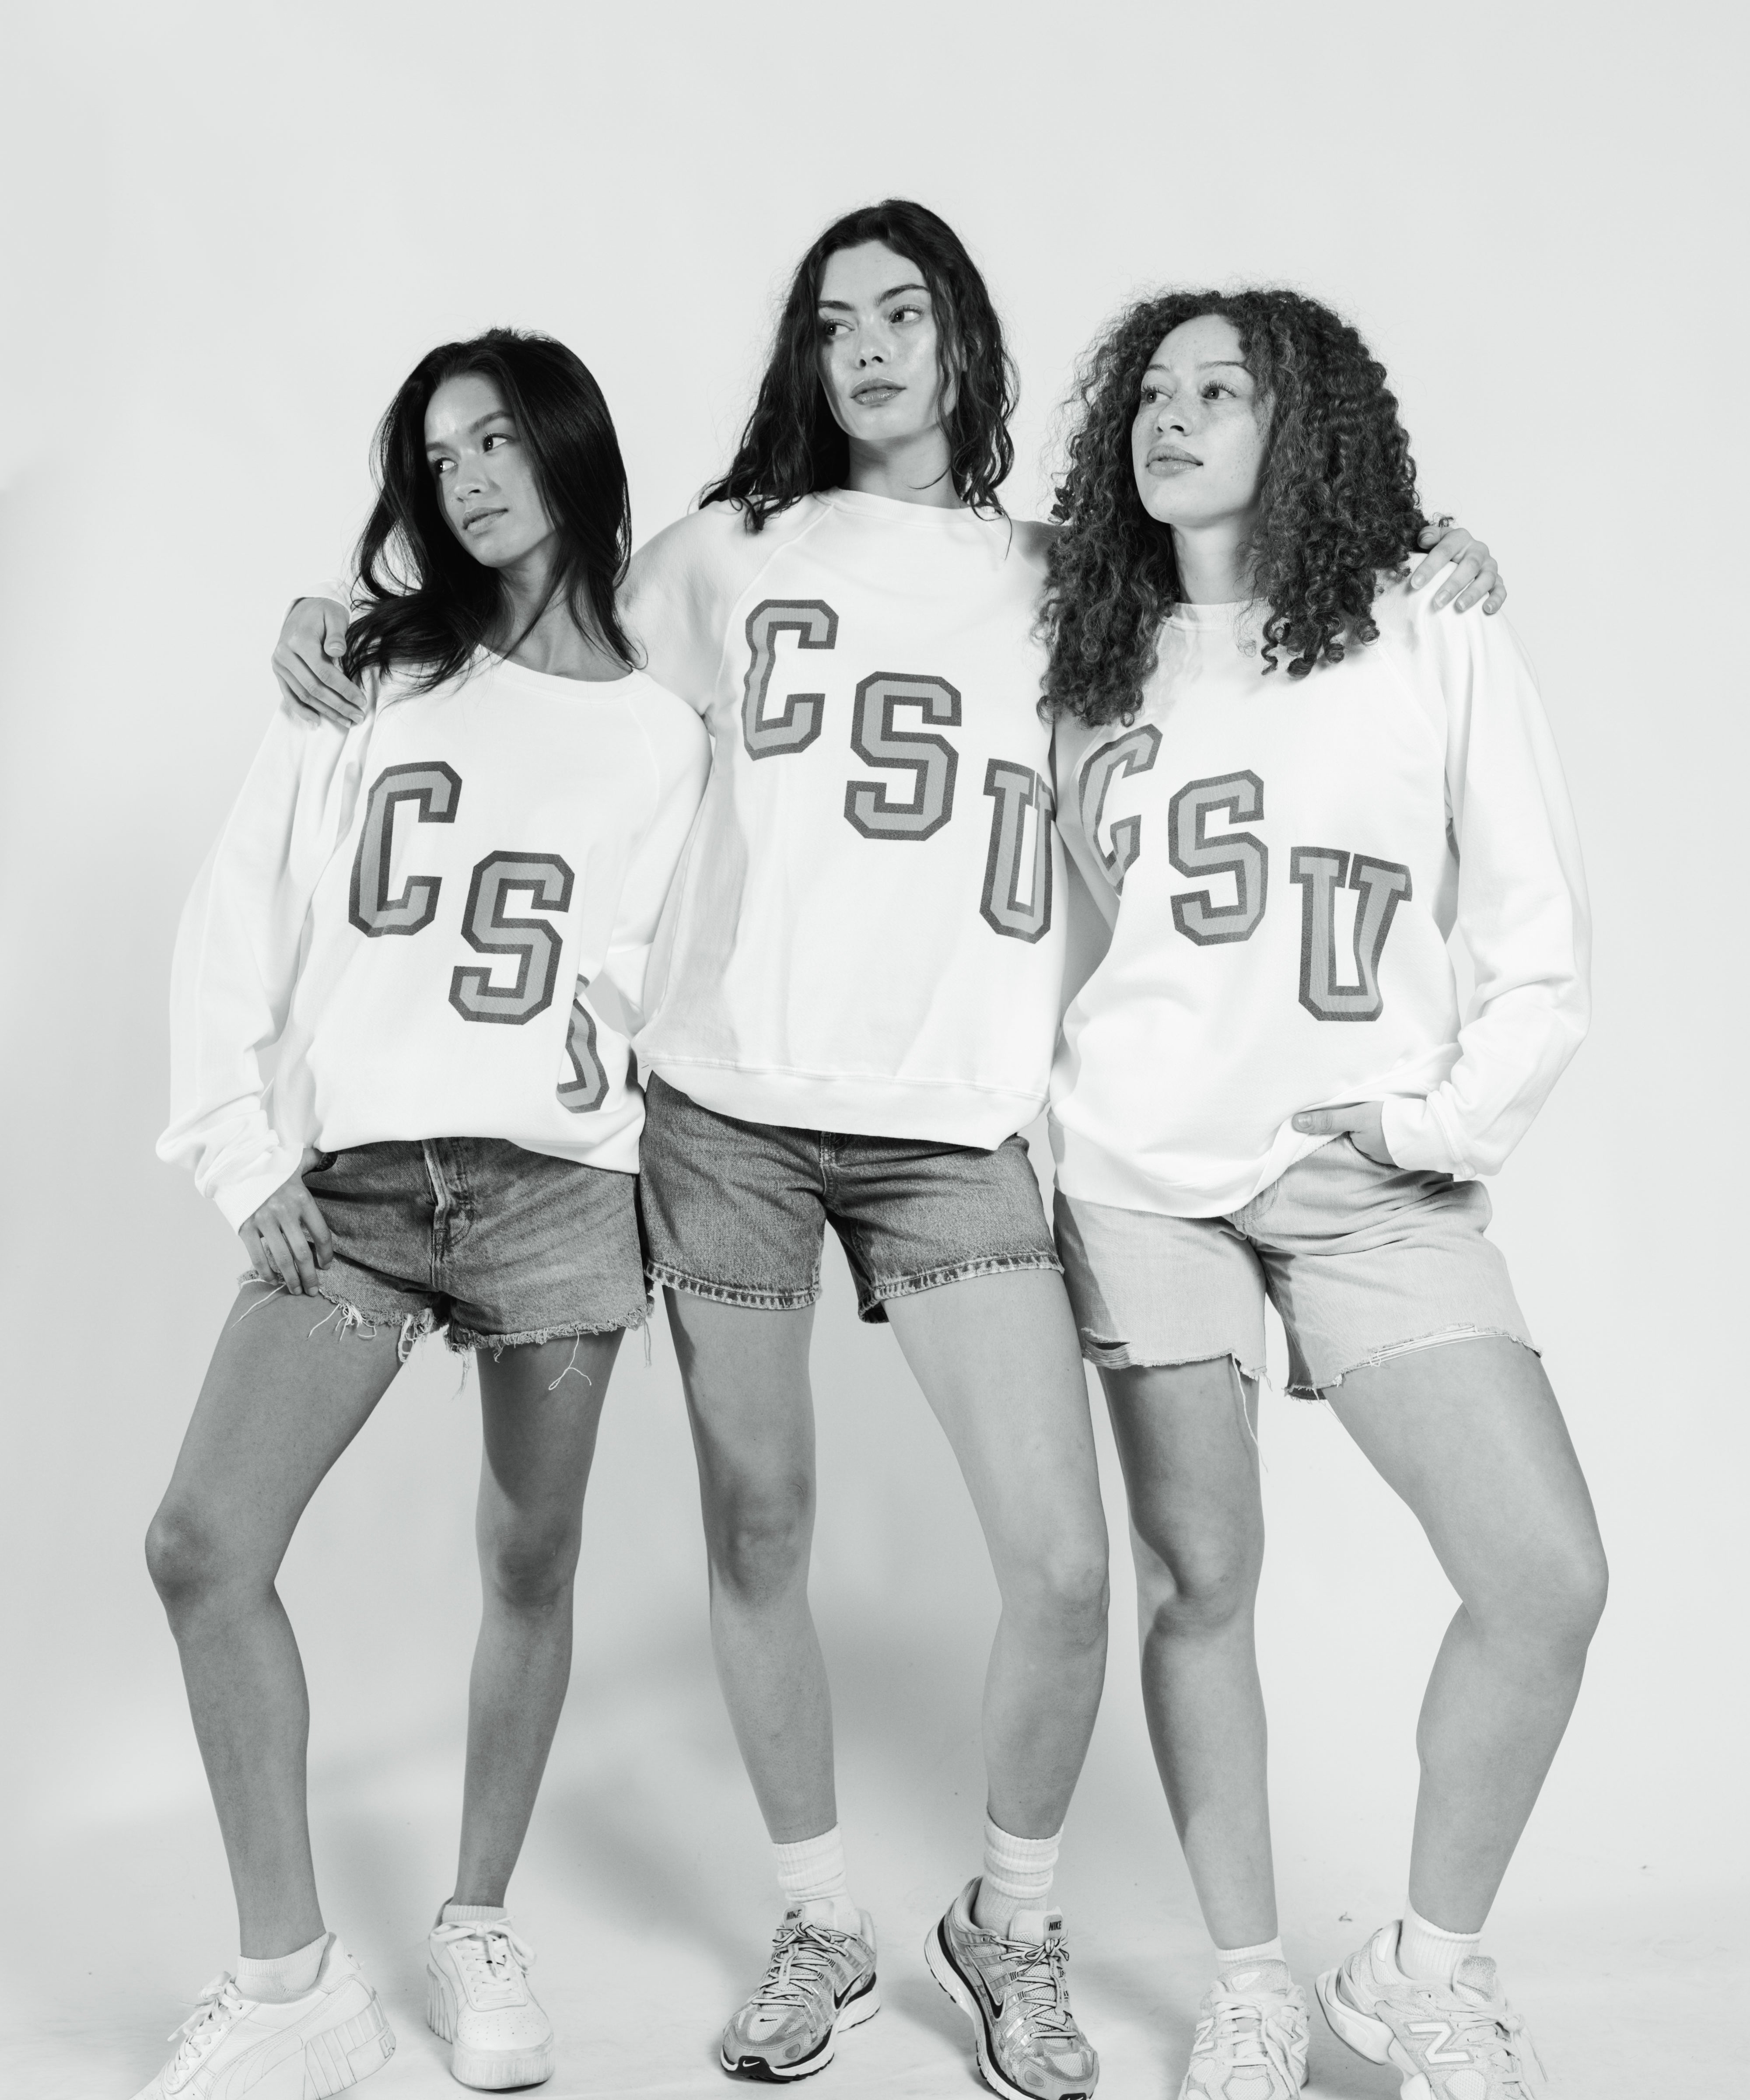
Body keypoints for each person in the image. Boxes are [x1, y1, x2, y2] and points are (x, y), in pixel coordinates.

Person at [272, 203, 1503, 2100]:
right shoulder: (728, 554)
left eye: (901, 311)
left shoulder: (1061, 583)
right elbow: (535, 650)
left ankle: (1007, 1920)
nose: (865, 347)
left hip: (953, 1136)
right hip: (728, 1118)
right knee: (760, 1526)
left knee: (1068, 1570)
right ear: (801, 354)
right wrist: (350, 631)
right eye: (831, 319)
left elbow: (1247, 637)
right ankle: (817, 1917)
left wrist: (1428, 561)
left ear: (963, 343)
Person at [1040, 287, 1603, 2100]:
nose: (1174, 413)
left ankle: (1420, 1978)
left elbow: (1536, 944)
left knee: (1542, 1578)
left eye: (1226, 388)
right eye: (1154, 387)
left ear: (1312, 429)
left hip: (1369, 1174)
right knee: (1204, 1579)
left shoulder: (1424, 622)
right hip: (1139, 1176)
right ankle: (1246, 1980)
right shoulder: (1074, 644)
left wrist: (1436, 1127)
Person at [144, 329, 709, 2100]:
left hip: (558, 1195)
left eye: (490, 442)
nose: (462, 478)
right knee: (203, 1547)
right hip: (360, 1195)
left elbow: (660, 986)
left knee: (528, 1562)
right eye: (434, 453)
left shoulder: (658, 733)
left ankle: (474, 1919)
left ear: (563, 451)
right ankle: (292, 1979)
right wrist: (246, 1158)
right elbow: (241, 909)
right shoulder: (363, 674)